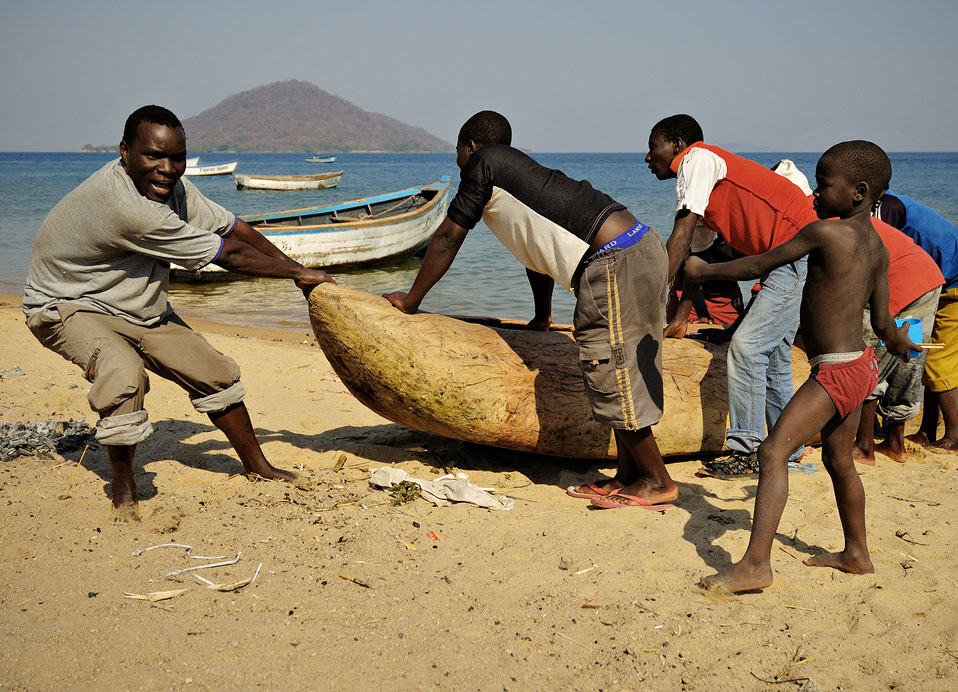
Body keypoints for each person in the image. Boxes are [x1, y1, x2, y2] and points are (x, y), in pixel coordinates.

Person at [23, 105, 335, 515]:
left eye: (177, 157)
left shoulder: (174, 190)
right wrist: (297, 271)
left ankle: (258, 465)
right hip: (68, 304)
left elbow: (234, 228)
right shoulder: (127, 208)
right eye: (153, 156)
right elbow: (229, 255)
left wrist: (299, 273)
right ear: (125, 152)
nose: (167, 168)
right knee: (121, 371)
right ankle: (123, 482)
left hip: (138, 304)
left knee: (214, 371)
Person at [384, 110, 676, 509]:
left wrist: (411, 299)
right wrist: (543, 317)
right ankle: (628, 476)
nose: (457, 160)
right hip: (637, 247)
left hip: (613, 259)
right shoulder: (517, 172)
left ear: (470, 147)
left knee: (609, 366)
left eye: (457, 151)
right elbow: (535, 253)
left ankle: (657, 480)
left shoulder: (484, 164)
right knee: (618, 366)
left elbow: (449, 235)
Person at [685, 140, 918, 592]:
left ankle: (755, 566)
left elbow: (759, 263)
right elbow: (885, 322)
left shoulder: (824, 233)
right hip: (862, 366)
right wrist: (901, 344)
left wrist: (700, 271)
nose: (814, 191)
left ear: (859, 192)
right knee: (838, 460)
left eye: (824, 184)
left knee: (772, 453)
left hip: (835, 372)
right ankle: (856, 554)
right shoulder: (878, 245)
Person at [645, 115, 818, 477]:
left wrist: (643, 299)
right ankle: (789, 451)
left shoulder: (696, 159)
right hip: (792, 257)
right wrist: (679, 320)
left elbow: (678, 239)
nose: (648, 157)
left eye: (653, 147)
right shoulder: (705, 189)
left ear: (677, 145)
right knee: (774, 359)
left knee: (747, 348)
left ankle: (747, 450)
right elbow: (693, 257)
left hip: (794, 254)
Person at [876, 192, 958, 454]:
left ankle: (955, 437)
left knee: (941, 364)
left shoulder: (888, 208)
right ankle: (928, 430)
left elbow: (885, 255)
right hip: (934, 283)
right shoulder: (885, 205)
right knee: (922, 357)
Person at [851, 218, 943, 463]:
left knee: (870, 365)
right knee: (908, 360)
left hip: (899, 283)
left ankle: (864, 446)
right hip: (927, 278)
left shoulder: (823, 221)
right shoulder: (850, 213)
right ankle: (895, 444)